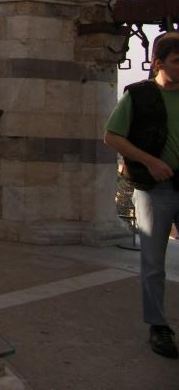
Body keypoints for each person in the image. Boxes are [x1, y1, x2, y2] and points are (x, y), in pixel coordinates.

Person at [104, 31, 179, 359]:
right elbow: (112, 136)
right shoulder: (139, 96)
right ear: (159, 63)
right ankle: (158, 325)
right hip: (155, 188)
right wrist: (150, 162)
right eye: (177, 61)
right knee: (153, 262)